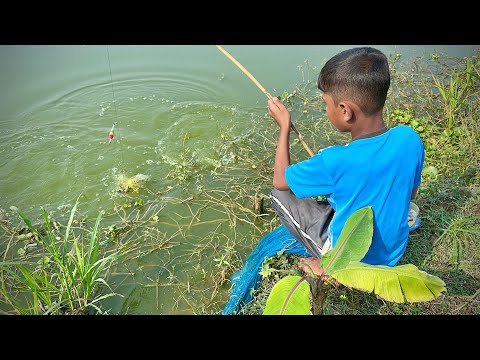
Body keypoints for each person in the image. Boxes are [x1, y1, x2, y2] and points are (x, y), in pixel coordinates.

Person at [267, 47, 425, 277]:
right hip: (394, 251)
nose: (325, 110)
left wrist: (284, 128)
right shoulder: (409, 138)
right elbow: (410, 196)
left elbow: (281, 181)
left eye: (325, 104)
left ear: (345, 111)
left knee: (278, 195)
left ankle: (327, 266)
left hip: (353, 264)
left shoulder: (334, 161)